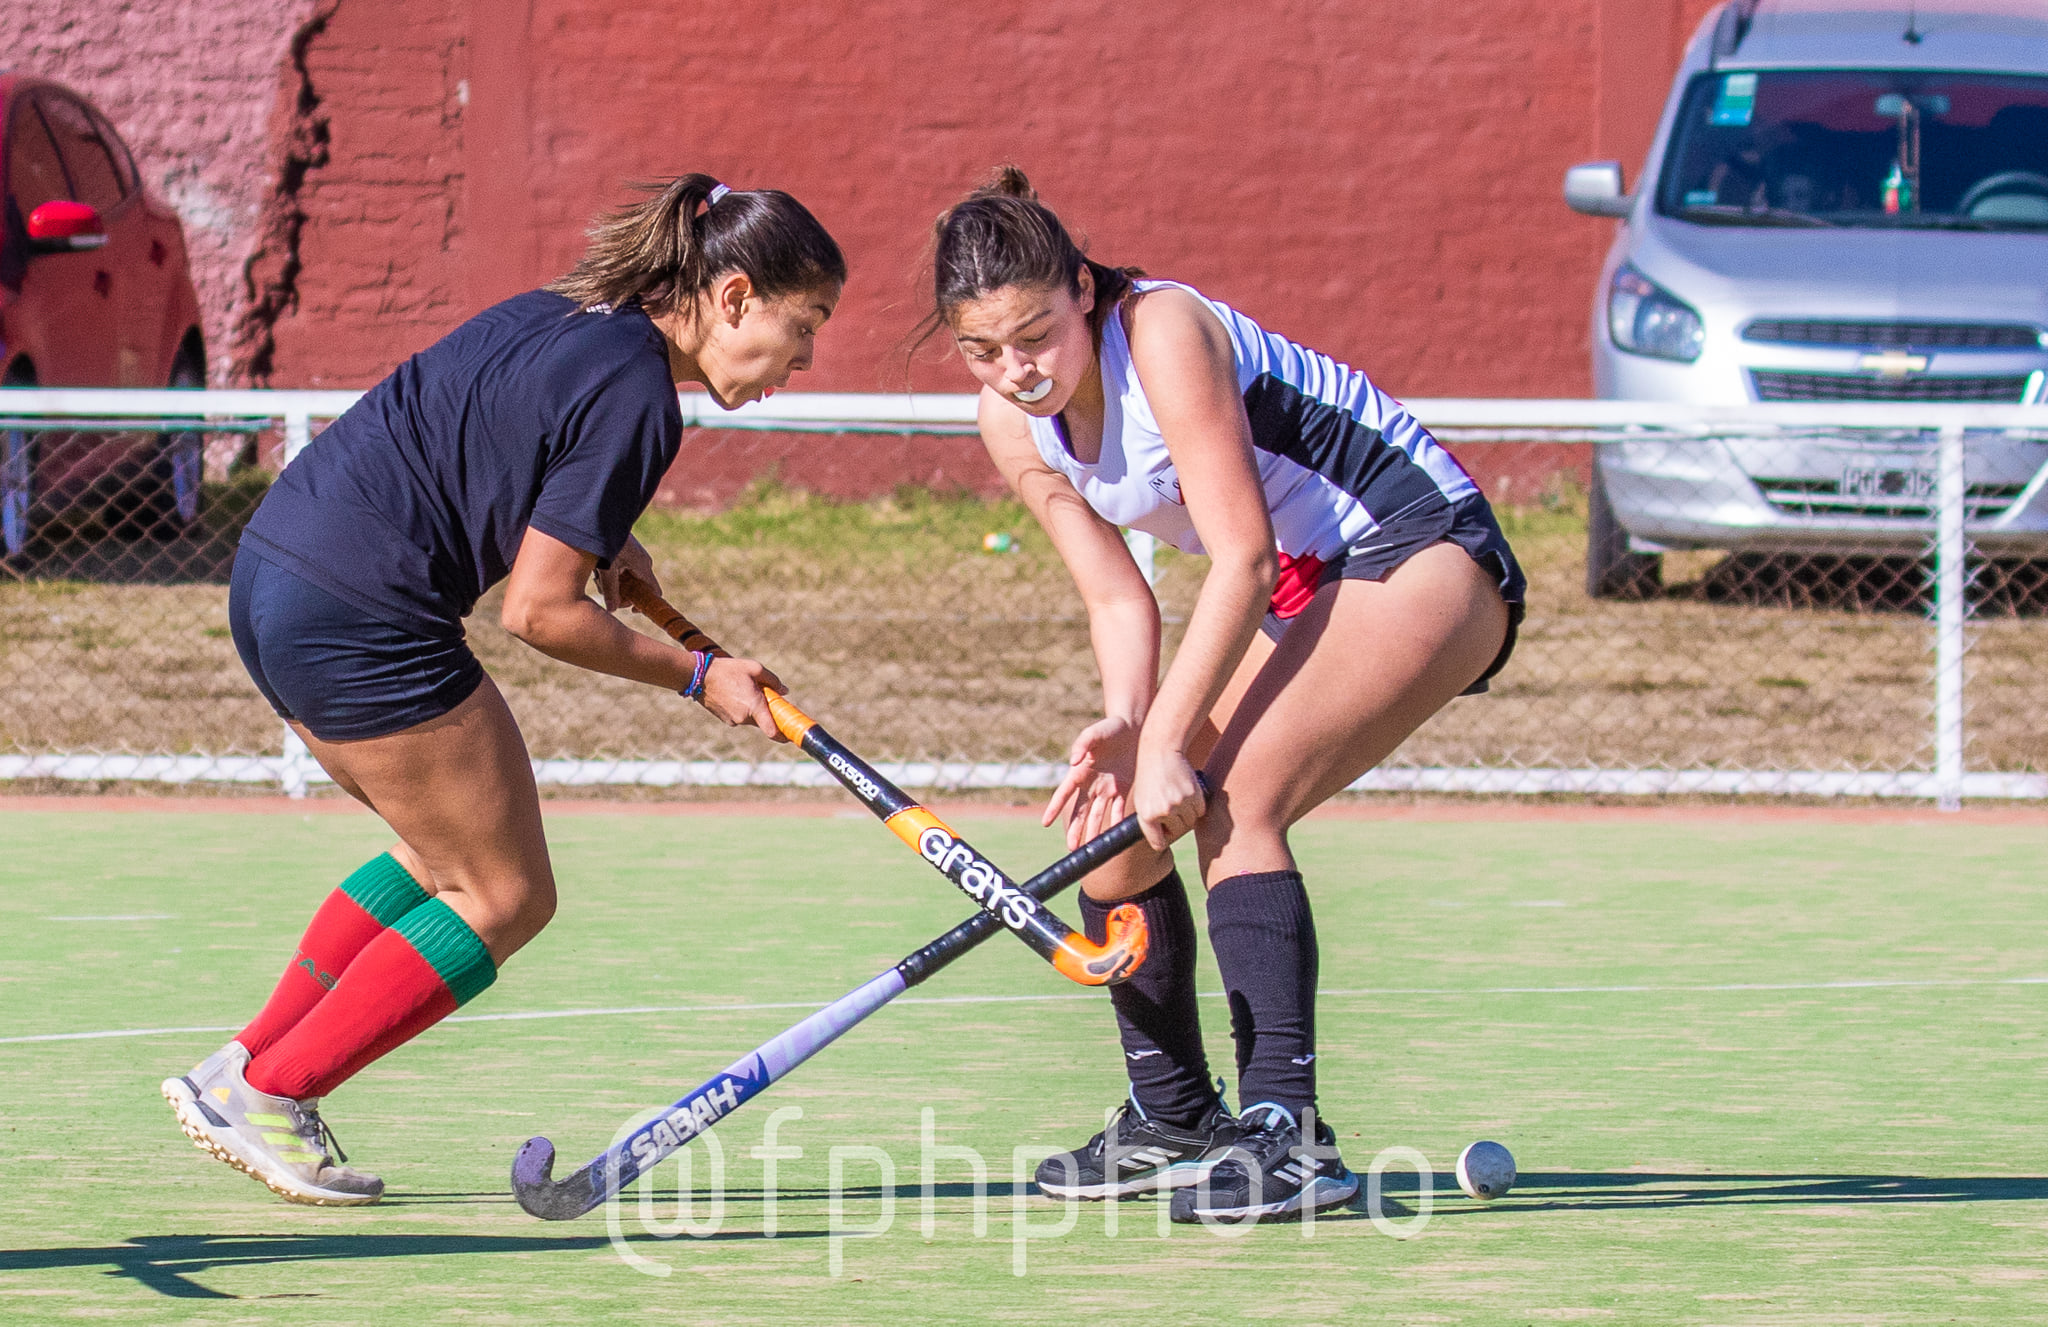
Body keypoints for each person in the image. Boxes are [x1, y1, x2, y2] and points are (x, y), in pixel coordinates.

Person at [161, 175, 844, 1205]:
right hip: (364, 613)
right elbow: (540, 611)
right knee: (506, 893)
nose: (800, 364)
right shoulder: (638, 396)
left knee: (440, 853)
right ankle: (272, 1088)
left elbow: (497, 450)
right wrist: (702, 675)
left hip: (275, 576)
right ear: (736, 294)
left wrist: (607, 534)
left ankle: (243, 1069)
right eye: (805, 328)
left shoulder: (573, 313)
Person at [925, 168, 1524, 1224]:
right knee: (1120, 843)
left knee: (1233, 799)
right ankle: (1172, 1118)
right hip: (1306, 583)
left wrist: (1171, 742)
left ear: (1080, 290)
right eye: (983, 349)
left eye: (1034, 337)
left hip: (1416, 546)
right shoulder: (1009, 422)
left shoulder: (1160, 328)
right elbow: (1118, 596)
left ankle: (1287, 1135)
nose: (1016, 371)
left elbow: (1240, 556)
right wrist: (1128, 723)